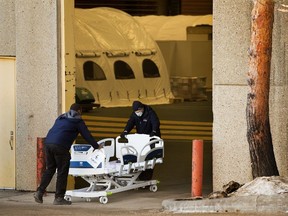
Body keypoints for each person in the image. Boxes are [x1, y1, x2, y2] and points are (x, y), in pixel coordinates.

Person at [34, 103, 102, 205]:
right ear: (79, 111)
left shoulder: (61, 117)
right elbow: (87, 136)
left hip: (48, 144)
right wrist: (97, 146)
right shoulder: (78, 121)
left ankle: (39, 191)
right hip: (60, 147)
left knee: (50, 169)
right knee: (62, 172)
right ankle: (59, 198)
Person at [120, 100, 161, 180]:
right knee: (140, 158)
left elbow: (155, 122)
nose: (137, 113)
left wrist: (154, 131)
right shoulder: (135, 114)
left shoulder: (150, 112)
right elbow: (130, 123)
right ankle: (141, 177)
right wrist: (125, 131)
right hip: (141, 138)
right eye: (136, 112)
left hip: (151, 137)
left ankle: (147, 178)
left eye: (138, 111)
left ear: (142, 108)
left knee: (149, 158)